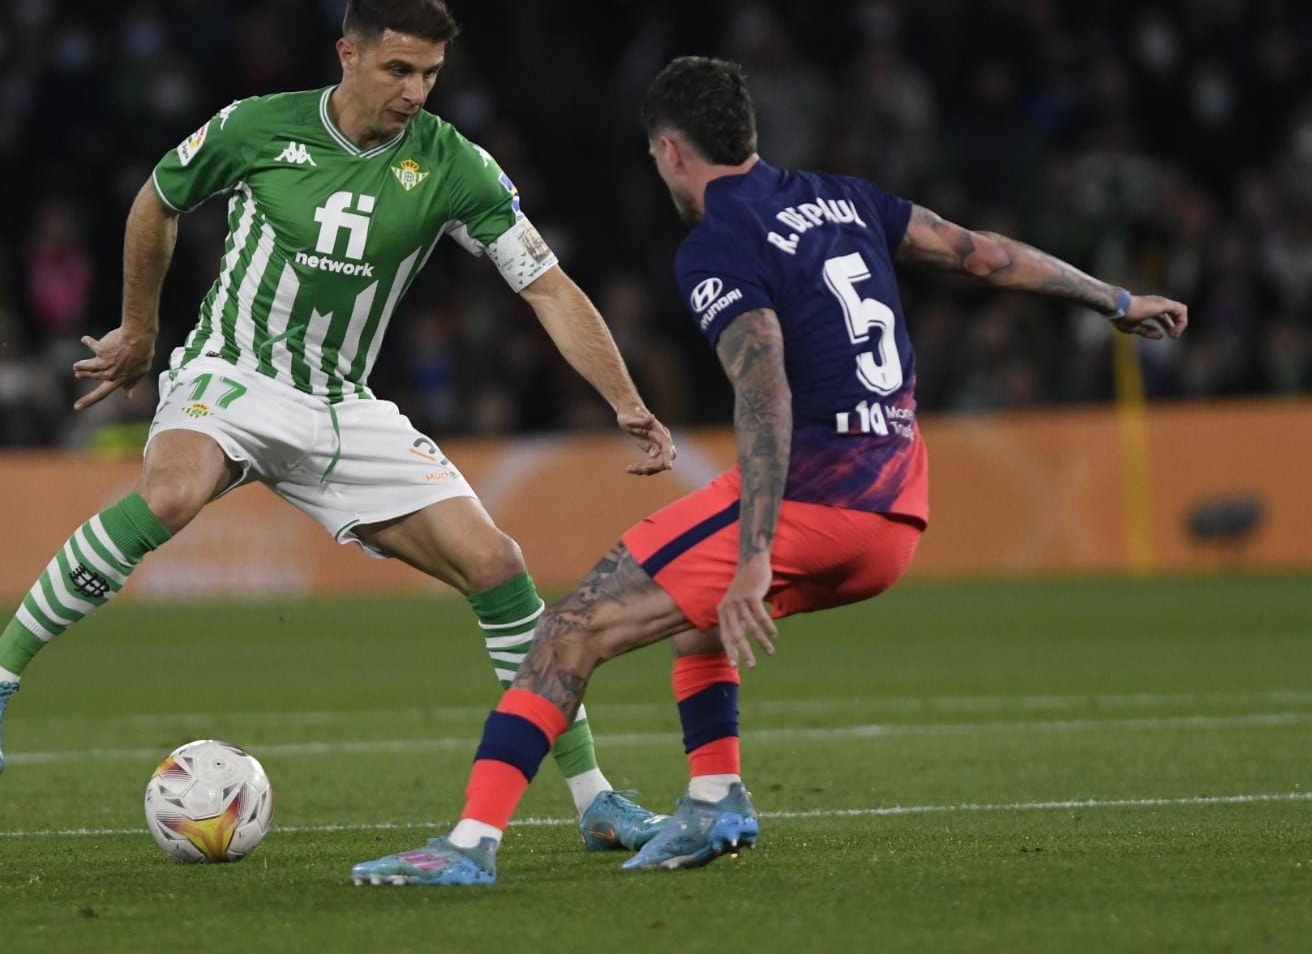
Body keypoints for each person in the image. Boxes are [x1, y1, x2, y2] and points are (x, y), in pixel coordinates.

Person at [350, 55, 1189, 886]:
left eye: (657, 159)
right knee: (696, 612)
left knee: (569, 630)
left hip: (814, 500)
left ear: (671, 152)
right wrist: (1115, 300)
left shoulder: (718, 241)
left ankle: (469, 843)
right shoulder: (848, 199)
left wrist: (756, 553)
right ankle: (715, 798)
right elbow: (980, 254)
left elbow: (764, 388)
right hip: (897, 506)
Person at [0, 0, 678, 847]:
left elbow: (546, 286)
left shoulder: (454, 166)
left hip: (341, 406)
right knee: (172, 496)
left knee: (499, 564)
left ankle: (593, 799)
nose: (413, 91)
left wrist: (626, 398)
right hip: (233, 374)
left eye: (431, 74)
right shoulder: (258, 125)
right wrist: (141, 327)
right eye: (397, 68)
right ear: (349, 54)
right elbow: (157, 201)